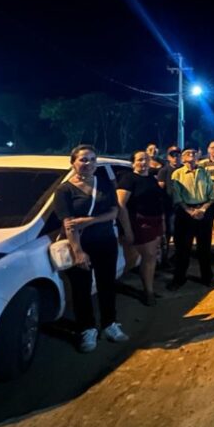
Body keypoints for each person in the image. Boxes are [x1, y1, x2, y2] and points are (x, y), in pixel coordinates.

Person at [54, 145, 128, 352]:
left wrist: (87, 221)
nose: (88, 164)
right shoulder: (64, 190)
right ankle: (87, 329)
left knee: (107, 285)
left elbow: (114, 212)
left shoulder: (103, 183)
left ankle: (110, 324)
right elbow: (68, 224)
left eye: (92, 160)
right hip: (81, 245)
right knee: (81, 290)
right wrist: (78, 252)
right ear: (73, 162)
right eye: (83, 160)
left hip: (106, 242)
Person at [117, 150, 167, 306]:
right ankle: (148, 292)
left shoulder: (151, 179)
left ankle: (148, 288)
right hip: (140, 223)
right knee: (149, 256)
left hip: (156, 221)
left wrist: (163, 221)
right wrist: (128, 230)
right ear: (133, 163)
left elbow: (158, 201)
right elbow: (121, 205)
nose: (143, 162)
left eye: (146, 159)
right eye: (139, 160)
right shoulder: (128, 179)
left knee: (151, 257)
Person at [167, 148, 214, 290]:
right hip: (184, 214)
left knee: (204, 248)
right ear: (182, 159)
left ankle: (207, 277)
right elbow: (177, 197)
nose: (191, 155)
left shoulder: (204, 172)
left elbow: (211, 195)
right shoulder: (177, 174)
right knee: (183, 249)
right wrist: (189, 211)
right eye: (188, 153)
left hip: (203, 212)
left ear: (198, 157)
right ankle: (179, 278)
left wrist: (202, 209)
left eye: (194, 153)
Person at [156, 145, 182, 268]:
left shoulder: (184, 169)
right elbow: (160, 188)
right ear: (168, 158)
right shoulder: (164, 171)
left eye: (178, 155)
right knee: (168, 234)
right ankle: (165, 259)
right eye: (173, 156)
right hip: (169, 208)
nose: (176, 158)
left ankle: (178, 256)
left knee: (180, 234)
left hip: (183, 208)